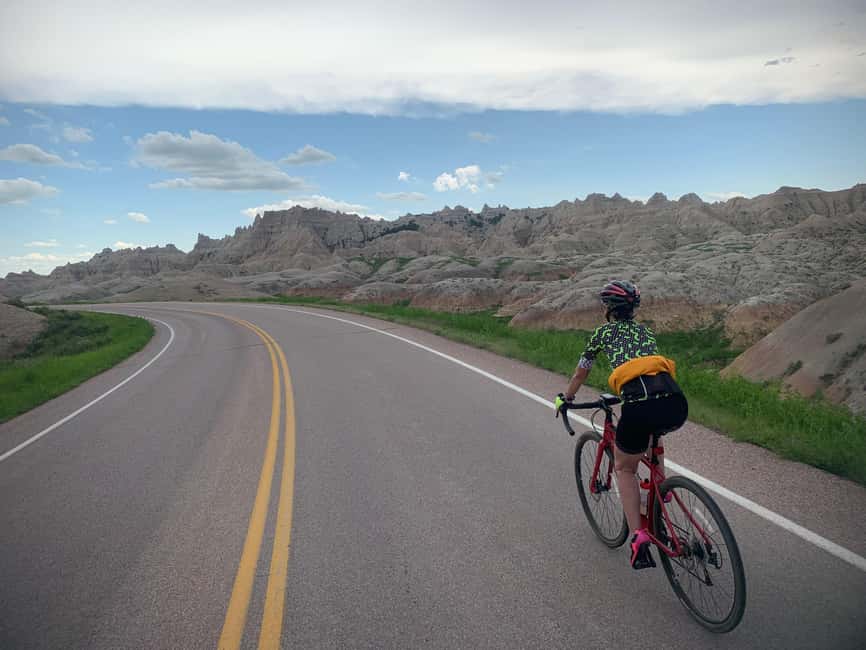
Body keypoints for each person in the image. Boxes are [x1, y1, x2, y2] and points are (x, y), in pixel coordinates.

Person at [559, 280, 688, 569]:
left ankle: (639, 538)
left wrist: (567, 398)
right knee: (654, 434)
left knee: (624, 467)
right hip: (674, 400)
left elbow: (581, 372)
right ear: (633, 309)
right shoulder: (646, 332)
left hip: (638, 402)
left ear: (608, 308)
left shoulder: (602, 333)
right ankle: (660, 488)